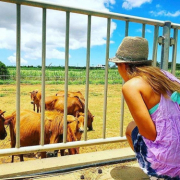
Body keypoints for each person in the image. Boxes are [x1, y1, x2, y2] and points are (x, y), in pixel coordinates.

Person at [109, 36, 180, 180]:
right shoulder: (164, 75)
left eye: (117, 65)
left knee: (131, 128)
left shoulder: (131, 86)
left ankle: (156, 173)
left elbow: (149, 133)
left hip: (172, 162)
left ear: (123, 65)